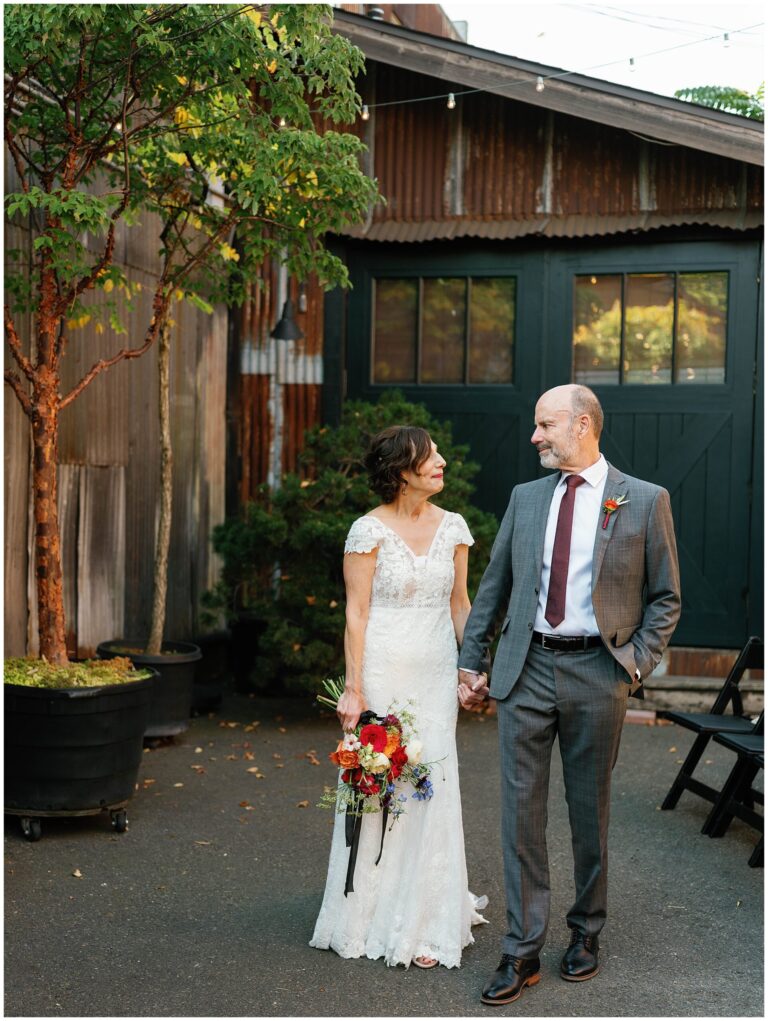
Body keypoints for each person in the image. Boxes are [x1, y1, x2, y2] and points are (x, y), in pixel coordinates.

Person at [457, 384, 681, 1006]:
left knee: (590, 813)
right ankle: (521, 949)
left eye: (545, 425)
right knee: (521, 814)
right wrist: (471, 663)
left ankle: (585, 933)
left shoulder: (643, 500)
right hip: (525, 670)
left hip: (598, 673)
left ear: (582, 425)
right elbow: (495, 585)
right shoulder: (526, 499)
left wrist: (633, 665)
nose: (536, 436)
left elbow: (666, 597)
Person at [310, 424, 487, 969]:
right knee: (383, 783)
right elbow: (356, 614)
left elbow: (461, 605)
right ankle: (369, 910)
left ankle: (427, 919)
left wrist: (471, 668)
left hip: (435, 672)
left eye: (437, 454)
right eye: (428, 457)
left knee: (432, 782)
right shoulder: (367, 531)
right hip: (383, 670)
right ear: (401, 470)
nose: (441, 463)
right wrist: (355, 687)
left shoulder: (453, 527)